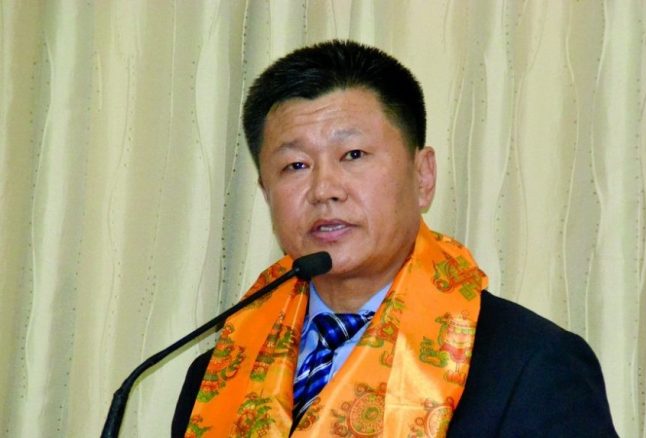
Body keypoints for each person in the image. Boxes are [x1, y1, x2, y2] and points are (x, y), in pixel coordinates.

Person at [173, 40, 617, 437]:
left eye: (353, 155)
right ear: (266, 192)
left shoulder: (528, 366)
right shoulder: (219, 375)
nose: (325, 189)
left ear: (423, 177)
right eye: (296, 166)